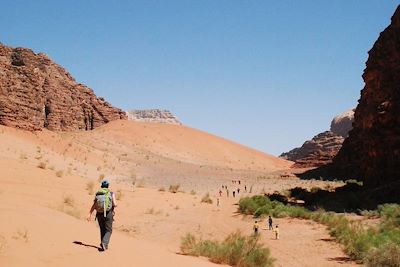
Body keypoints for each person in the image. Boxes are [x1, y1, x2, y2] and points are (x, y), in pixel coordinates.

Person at [87, 180, 117, 251]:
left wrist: (89, 214)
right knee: (109, 230)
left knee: (102, 229)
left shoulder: (98, 194)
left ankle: (103, 245)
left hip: (99, 214)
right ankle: (104, 243)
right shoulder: (111, 193)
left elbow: (94, 205)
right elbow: (115, 204)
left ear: (101, 186)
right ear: (108, 186)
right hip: (108, 213)